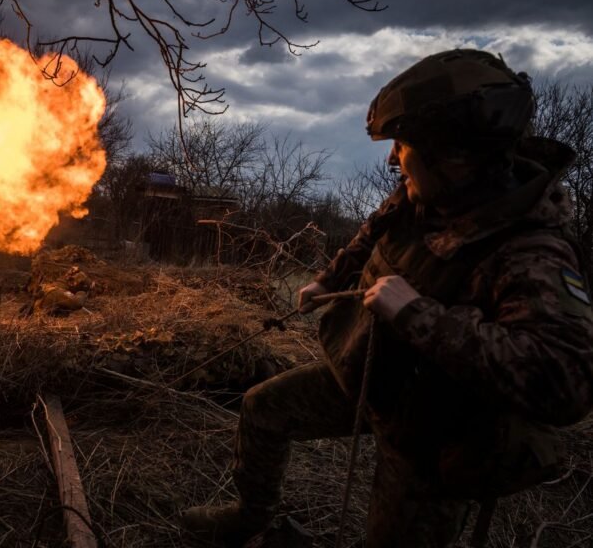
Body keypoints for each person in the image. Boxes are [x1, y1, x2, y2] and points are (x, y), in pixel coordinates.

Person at [180, 49, 593, 547]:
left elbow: (564, 384)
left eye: (402, 144)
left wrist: (418, 315)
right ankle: (249, 517)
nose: (393, 158)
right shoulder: (424, 195)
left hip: (435, 434)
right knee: (263, 408)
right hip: (370, 379)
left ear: (453, 155)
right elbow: (370, 235)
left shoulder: (530, 250)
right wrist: (328, 281)